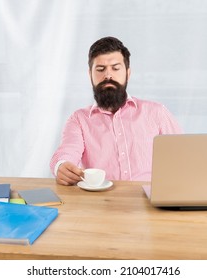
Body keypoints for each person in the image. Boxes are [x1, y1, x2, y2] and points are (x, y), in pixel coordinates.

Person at [50, 36, 182, 186]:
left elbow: (181, 156)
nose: (108, 75)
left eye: (115, 68)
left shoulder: (156, 112)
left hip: (150, 201)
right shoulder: (79, 119)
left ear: (128, 73)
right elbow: (67, 152)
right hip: (99, 202)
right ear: (90, 75)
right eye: (100, 69)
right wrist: (61, 166)